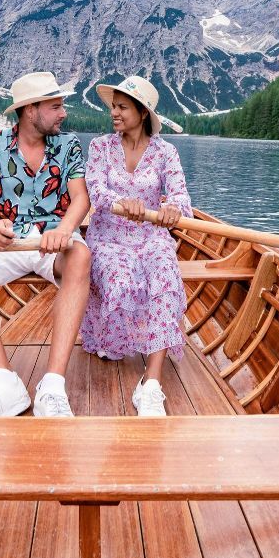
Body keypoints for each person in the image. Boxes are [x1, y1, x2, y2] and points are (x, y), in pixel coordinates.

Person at [0, 72, 91, 418]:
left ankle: (52, 387)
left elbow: (81, 198)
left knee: (81, 256)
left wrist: (65, 230)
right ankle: (3, 382)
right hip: (7, 242)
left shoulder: (68, 144)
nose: (63, 113)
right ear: (30, 110)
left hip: (54, 240)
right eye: (55, 107)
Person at [80, 75, 192, 416]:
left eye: (123, 107)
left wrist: (172, 209)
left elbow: (181, 198)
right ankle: (115, 338)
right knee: (121, 279)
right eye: (113, 106)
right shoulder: (100, 146)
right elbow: (96, 191)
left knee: (165, 275)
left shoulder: (166, 152)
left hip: (151, 236)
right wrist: (121, 202)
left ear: (143, 113)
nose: (114, 113)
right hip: (108, 235)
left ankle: (151, 383)